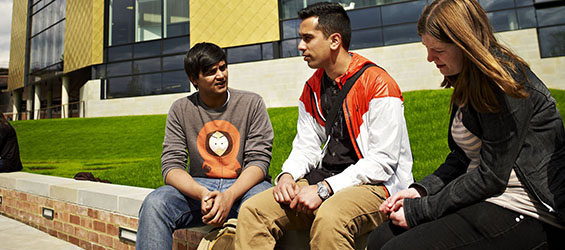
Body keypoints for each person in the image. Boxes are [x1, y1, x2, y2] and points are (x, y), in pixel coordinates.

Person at [367, 0, 565, 249]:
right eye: (426, 48)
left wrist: (421, 210)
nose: (429, 58)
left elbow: (491, 176)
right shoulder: (466, 81)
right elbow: (461, 159)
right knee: (380, 238)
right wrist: (421, 191)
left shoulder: (504, 82)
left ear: (464, 43)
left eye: (437, 50)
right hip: (488, 198)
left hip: (526, 208)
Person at [234, 2, 413, 250]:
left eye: (308, 38)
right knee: (253, 210)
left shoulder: (378, 84)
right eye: (300, 38)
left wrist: (324, 190)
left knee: (330, 218)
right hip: (325, 178)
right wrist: (287, 175)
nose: (300, 46)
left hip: (377, 186)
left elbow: (383, 161)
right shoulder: (312, 88)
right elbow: (306, 146)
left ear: (334, 41)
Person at [136, 42, 274, 250]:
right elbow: (171, 167)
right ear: (194, 79)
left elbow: (259, 160)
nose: (220, 75)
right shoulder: (181, 109)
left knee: (267, 204)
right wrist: (201, 193)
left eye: (223, 67)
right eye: (211, 72)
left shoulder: (251, 103)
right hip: (199, 190)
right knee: (155, 204)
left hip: (245, 186)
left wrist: (229, 196)